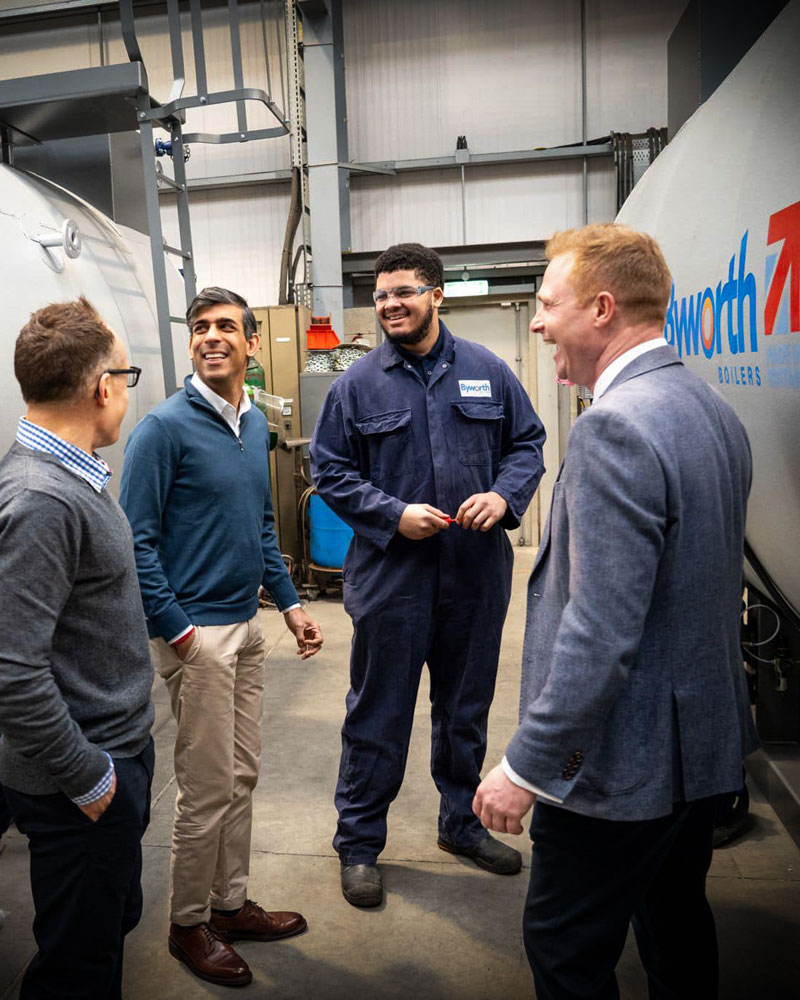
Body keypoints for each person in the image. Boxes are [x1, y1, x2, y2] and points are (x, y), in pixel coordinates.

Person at [473, 224, 759, 999]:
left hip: (622, 765)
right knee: (675, 927)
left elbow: (599, 633)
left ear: (602, 309)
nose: (536, 323)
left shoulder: (615, 427)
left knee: (566, 952)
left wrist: (527, 766)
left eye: (546, 304)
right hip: (699, 750)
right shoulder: (710, 409)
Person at [310, 243, 546, 907]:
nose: (391, 304)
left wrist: (504, 497)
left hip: (474, 577)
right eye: (382, 294)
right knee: (378, 717)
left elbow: (527, 444)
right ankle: (358, 844)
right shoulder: (356, 386)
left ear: (436, 295)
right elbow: (328, 470)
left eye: (405, 292)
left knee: (464, 712)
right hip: (393, 581)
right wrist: (391, 514)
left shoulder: (488, 370)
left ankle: (461, 824)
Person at [120, 286, 322, 988]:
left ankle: (229, 905)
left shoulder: (250, 426)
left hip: (248, 625)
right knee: (204, 789)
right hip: (196, 637)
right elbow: (135, 542)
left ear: (251, 343)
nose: (212, 337)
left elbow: (262, 525)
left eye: (226, 327)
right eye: (200, 327)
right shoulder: (163, 429)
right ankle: (187, 923)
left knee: (241, 775)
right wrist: (177, 631)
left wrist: (291, 605)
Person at [0, 298, 154, 999]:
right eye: (126, 373)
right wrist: (90, 778)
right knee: (77, 972)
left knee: (108, 924)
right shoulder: (44, 499)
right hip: (82, 776)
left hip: (107, 754)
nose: (127, 387)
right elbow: (13, 670)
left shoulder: (67, 475)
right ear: (103, 387)